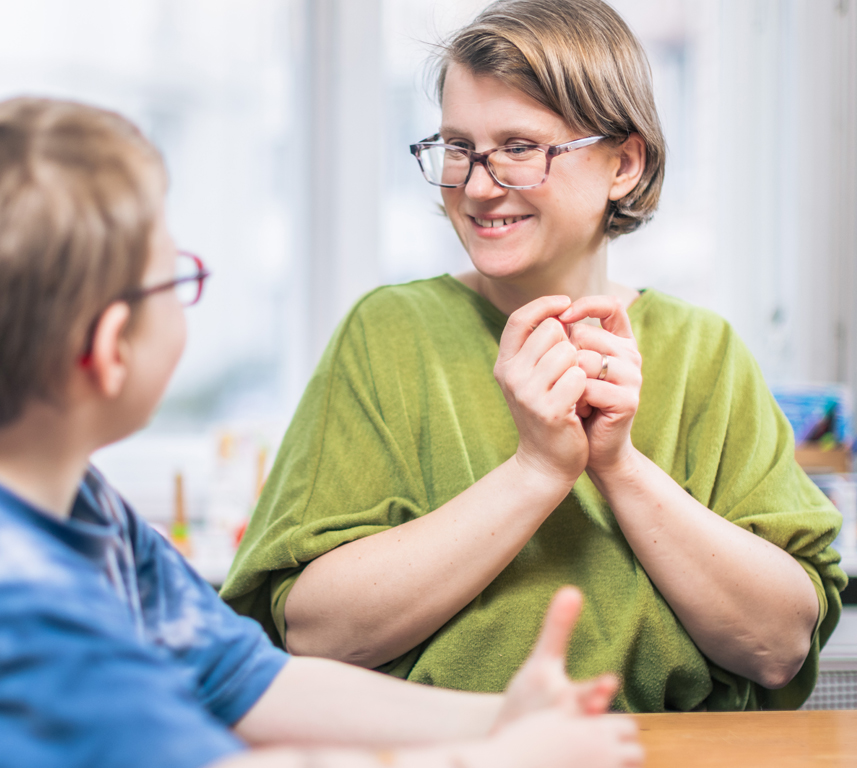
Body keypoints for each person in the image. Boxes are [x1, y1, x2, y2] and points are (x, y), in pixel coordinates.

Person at [221, 0, 847, 712]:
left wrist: (617, 467)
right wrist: (538, 469)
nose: (479, 187)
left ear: (624, 162)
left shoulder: (706, 351)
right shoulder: (389, 332)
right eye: (459, 147)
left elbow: (778, 646)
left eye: (520, 147)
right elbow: (314, 632)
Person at [0, 96, 645, 768]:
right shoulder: (22, 602)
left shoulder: (88, 511)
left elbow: (243, 681)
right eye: (172, 277)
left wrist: (501, 719)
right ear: (109, 351)